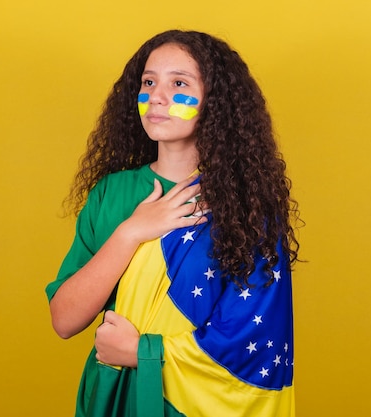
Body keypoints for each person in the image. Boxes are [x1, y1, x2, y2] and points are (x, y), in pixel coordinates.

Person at [45, 29, 301, 417]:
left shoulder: (246, 208)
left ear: (216, 102)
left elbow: (256, 337)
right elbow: (64, 319)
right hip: (113, 396)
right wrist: (132, 230)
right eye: (149, 82)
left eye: (178, 83)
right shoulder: (111, 193)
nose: (157, 97)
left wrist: (141, 353)